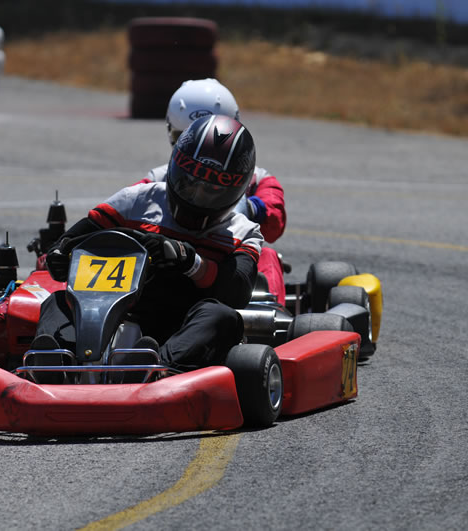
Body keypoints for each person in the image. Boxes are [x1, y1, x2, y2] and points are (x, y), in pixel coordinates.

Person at [34, 115, 262, 373]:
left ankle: (152, 369)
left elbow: (238, 292)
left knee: (222, 317)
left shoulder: (242, 232)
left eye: (211, 190)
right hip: (108, 312)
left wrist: (190, 261)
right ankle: (54, 363)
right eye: (189, 184)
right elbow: (72, 240)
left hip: (179, 328)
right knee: (59, 301)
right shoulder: (136, 201)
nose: (197, 196)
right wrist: (60, 253)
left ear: (235, 189)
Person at [137, 78, 288, 304]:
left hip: (230, 262)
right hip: (172, 260)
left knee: (266, 255)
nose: (201, 148)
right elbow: (124, 214)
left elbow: (274, 222)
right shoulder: (157, 179)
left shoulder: (257, 179)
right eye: (188, 137)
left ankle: (271, 311)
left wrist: (250, 206)